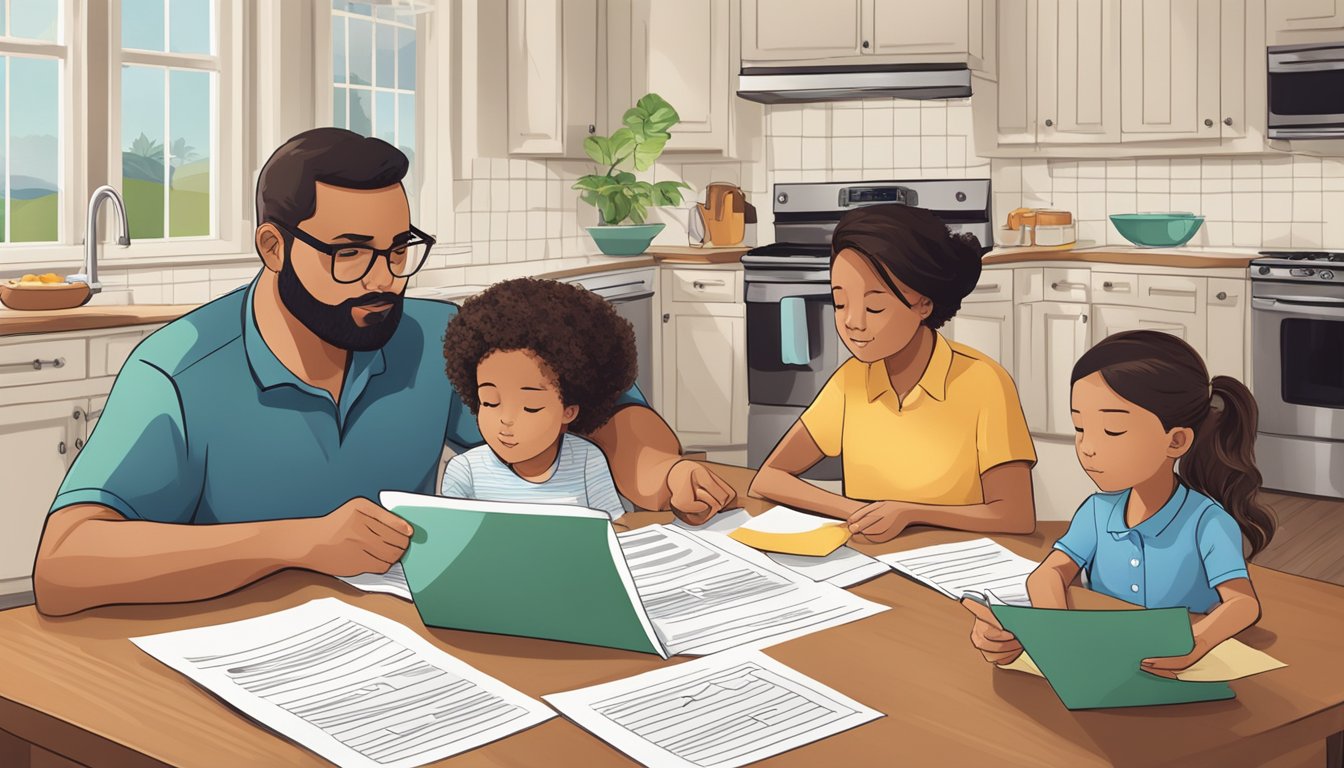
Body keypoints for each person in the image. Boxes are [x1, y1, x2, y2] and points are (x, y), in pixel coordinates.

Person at [32, 128, 736, 616]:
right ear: (273, 247)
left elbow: (603, 408)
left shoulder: (430, 335)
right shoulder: (179, 371)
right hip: (225, 654)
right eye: (350, 254)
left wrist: (662, 471)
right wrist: (296, 541)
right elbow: (65, 565)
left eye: (399, 249)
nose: (384, 280)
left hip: (400, 642)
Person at [965, 330, 1276, 676]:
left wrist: (1195, 642)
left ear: (1175, 441)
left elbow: (1243, 603)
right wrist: (1054, 632)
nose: (1088, 447)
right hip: (1104, 663)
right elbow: (1048, 574)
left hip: (1174, 673)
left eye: (1112, 430)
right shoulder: (1097, 511)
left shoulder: (1207, 522)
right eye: (1080, 427)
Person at [749, 203, 1037, 543]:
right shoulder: (850, 381)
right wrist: (856, 512)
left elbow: (1016, 514)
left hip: (957, 564)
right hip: (872, 557)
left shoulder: (983, 381)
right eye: (840, 303)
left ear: (924, 305)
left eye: (874, 307)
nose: (853, 322)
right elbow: (769, 477)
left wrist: (910, 512)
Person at [438, 278, 634, 519]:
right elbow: (450, 539)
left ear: (569, 411)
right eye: (490, 402)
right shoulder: (465, 472)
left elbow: (615, 528)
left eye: (530, 407)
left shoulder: (586, 460)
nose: (506, 420)